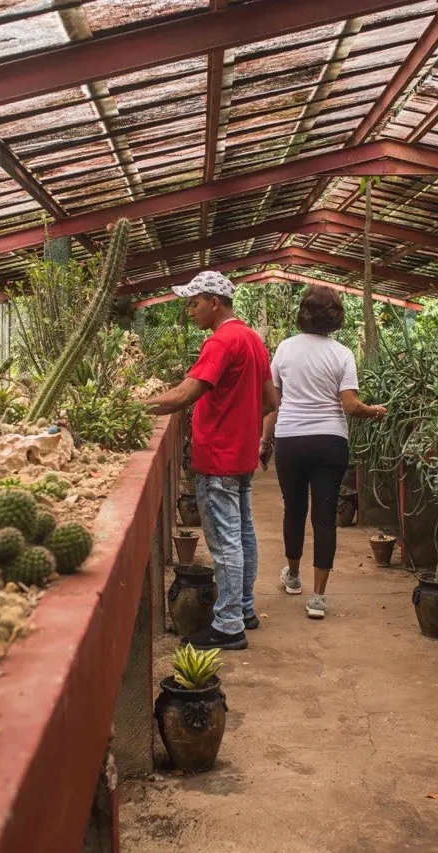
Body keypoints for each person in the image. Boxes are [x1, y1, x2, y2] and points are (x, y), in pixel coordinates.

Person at [146, 271, 278, 650]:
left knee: (224, 543)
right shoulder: (253, 339)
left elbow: (183, 395)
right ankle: (245, 609)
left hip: (217, 458)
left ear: (214, 302)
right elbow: (270, 401)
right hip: (240, 457)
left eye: (194, 302)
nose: (190, 310)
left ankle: (228, 625)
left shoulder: (220, 342)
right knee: (243, 535)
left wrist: (129, 406)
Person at [260, 287, 386, 620]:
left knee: (294, 509)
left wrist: (265, 441)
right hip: (330, 442)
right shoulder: (342, 354)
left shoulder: (285, 349)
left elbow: (273, 403)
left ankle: (293, 576)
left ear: (302, 313)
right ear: (336, 317)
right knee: (325, 517)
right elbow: (349, 405)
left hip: (291, 440)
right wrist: (372, 410)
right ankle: (318, 598)